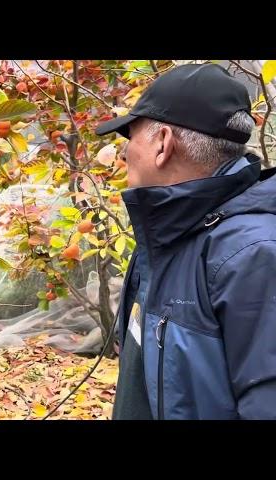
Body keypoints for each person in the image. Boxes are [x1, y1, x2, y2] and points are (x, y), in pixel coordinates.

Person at [95, 63, 276, 419]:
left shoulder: (251, 256)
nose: (123, 153)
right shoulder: (170, 235)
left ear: (163, 144)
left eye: (130, 137)